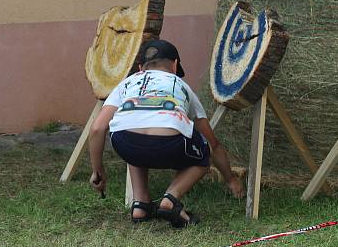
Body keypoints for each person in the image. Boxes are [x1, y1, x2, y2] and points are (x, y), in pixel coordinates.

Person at [88, 39, 244, 227]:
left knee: (132, 130)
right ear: (175, 65)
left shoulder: (126, 84)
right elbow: (214, 144)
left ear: (140, 68)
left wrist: (98, 171)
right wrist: (231, 179)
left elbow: (97, 128)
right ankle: (171, 199)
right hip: (169, 142)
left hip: (125, 142)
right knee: (204, 150)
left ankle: (141, 205)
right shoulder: (181, 85)